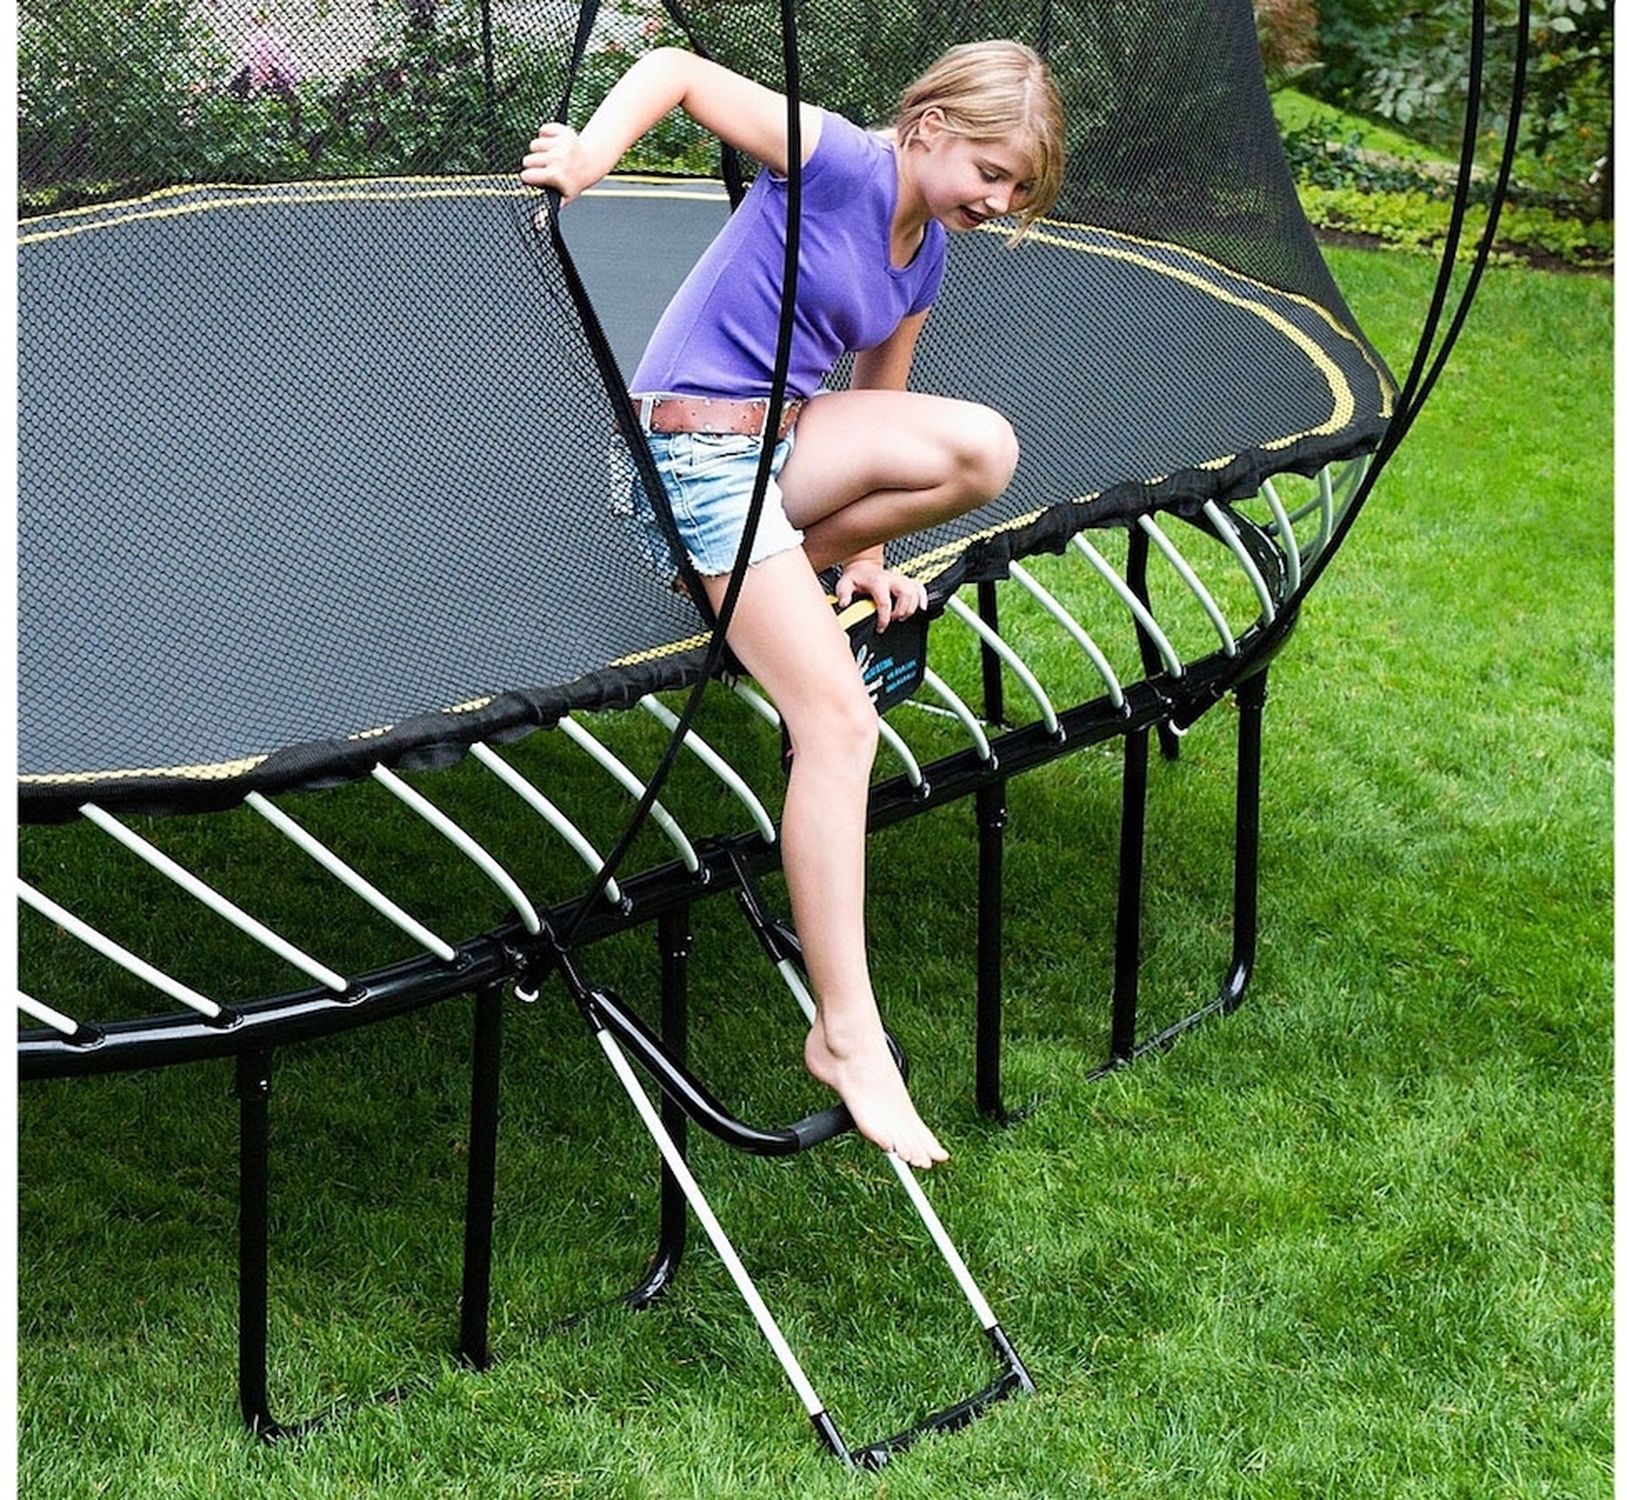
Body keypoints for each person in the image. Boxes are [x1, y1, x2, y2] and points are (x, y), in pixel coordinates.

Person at [521, 41, 1064, 1170]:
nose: (997, 202)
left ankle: (781, 579)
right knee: (839, 724)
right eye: (991, 172)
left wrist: (865, 555)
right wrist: (588, 158)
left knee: (983, 447)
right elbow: (674, 70)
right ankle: (845, 1032)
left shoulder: (924, 254)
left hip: (781, 455)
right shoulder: (837, 159)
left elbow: (881, 405)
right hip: (687, 462)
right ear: (930, 126)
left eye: (1016, 189)